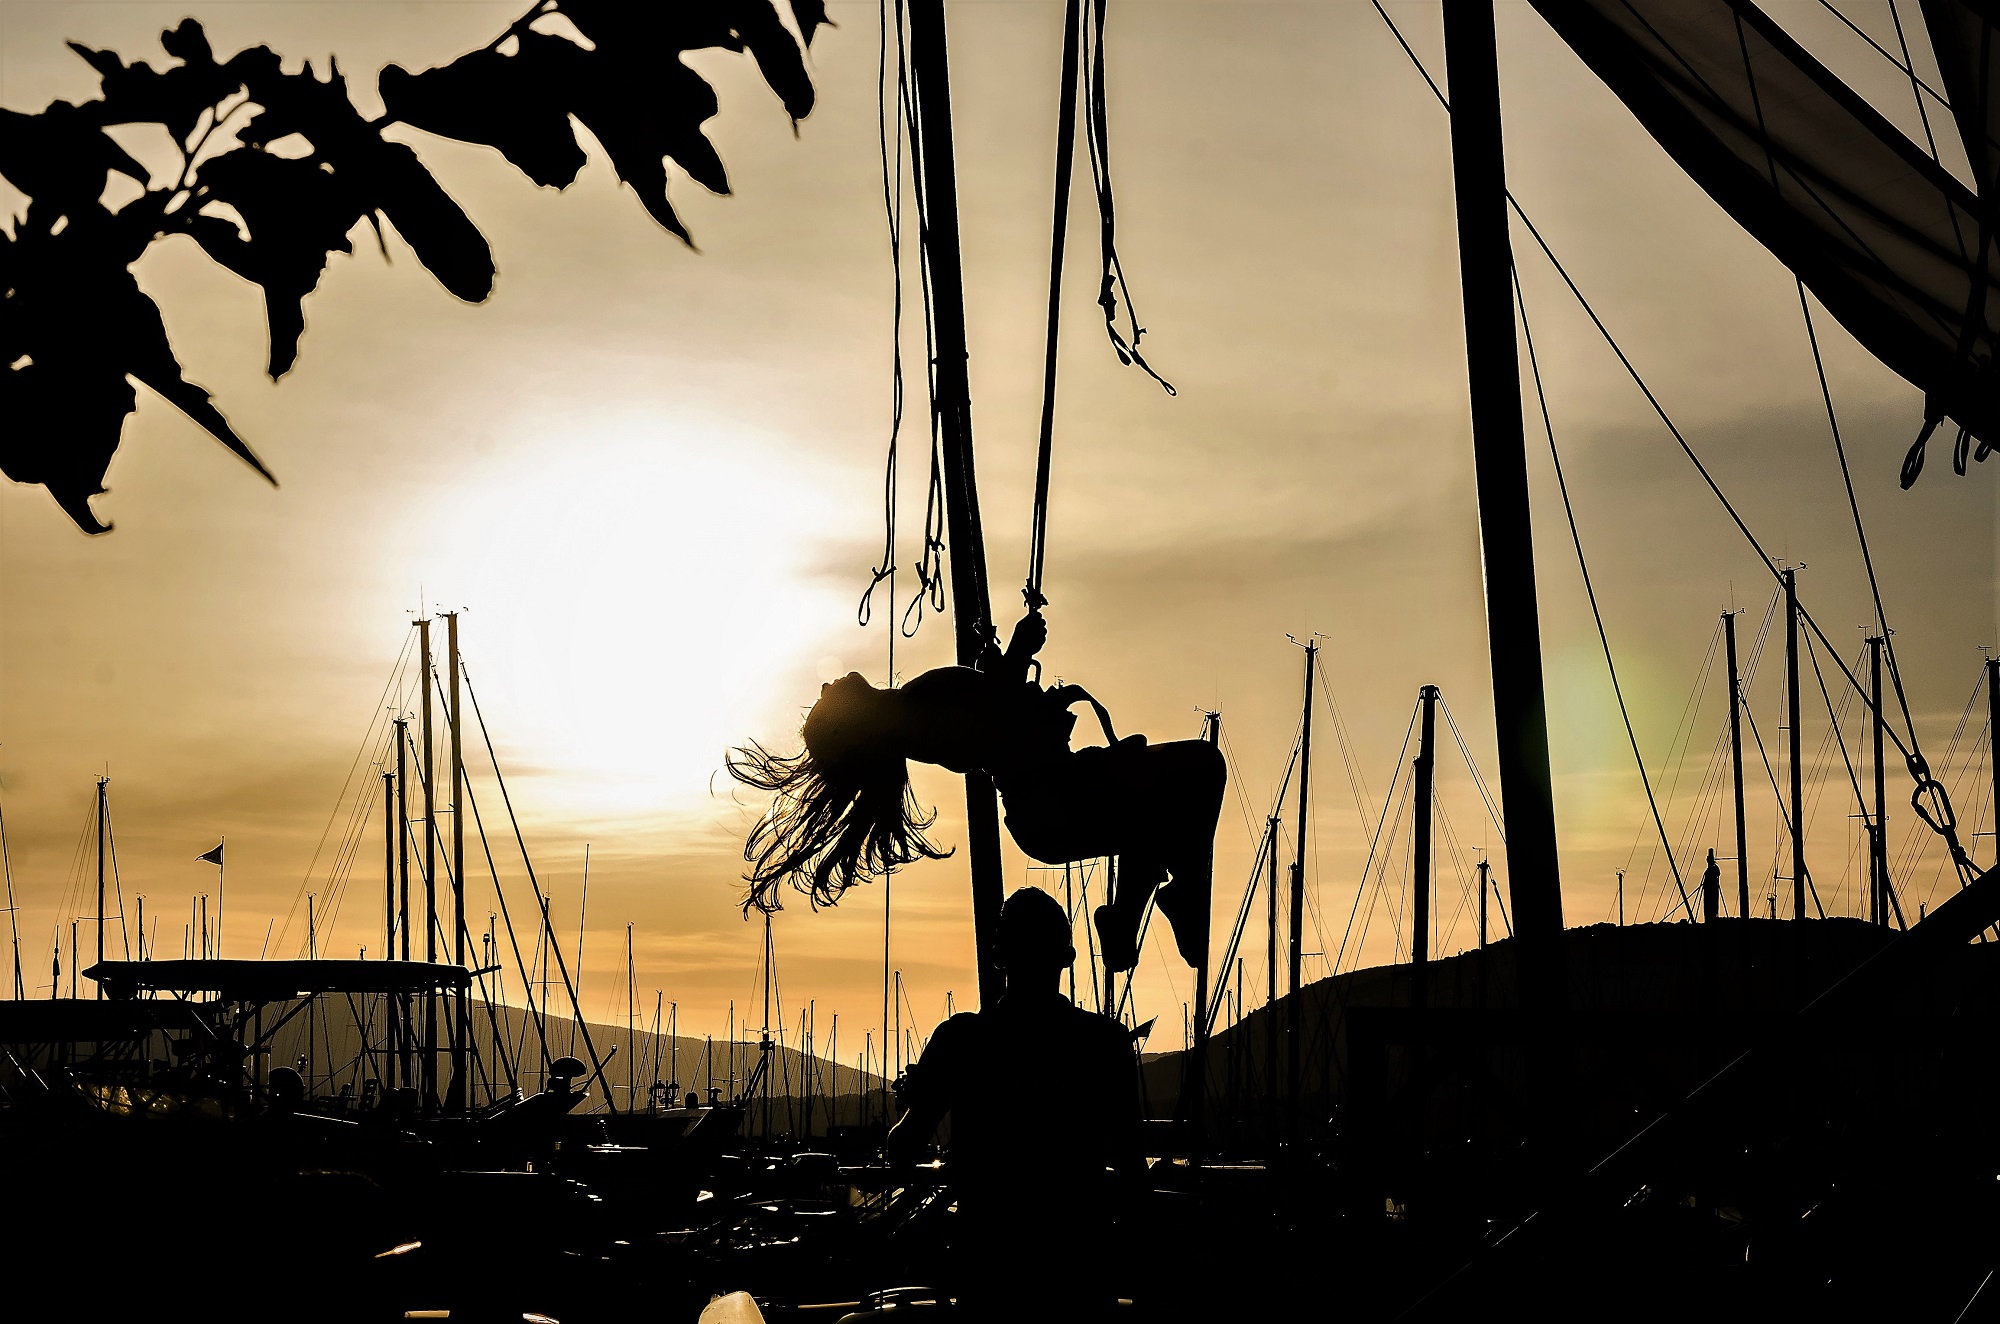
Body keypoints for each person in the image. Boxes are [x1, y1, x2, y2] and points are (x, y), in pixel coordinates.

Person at [728, 611, 1225, 972]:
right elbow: (989, 730)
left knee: (1162, 801)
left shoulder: (911, 710)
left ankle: (1135, 915)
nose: (824, 688)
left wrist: (1000, 665)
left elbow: (990, 712)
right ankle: (1148, 908)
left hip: (1053, 795)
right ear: (849, 724)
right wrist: (1018, 652)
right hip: (1049, 802)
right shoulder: (912, 721)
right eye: (825, 704)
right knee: (1194, 771)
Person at [886, 888, 1141, 1319]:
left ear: (999, 957)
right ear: (1065, 958)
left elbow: (903, 1147)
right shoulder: (1105, 1042)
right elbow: (1132, 1166)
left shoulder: (961, 1040)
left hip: (990, 1271)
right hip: (1078, 1272)